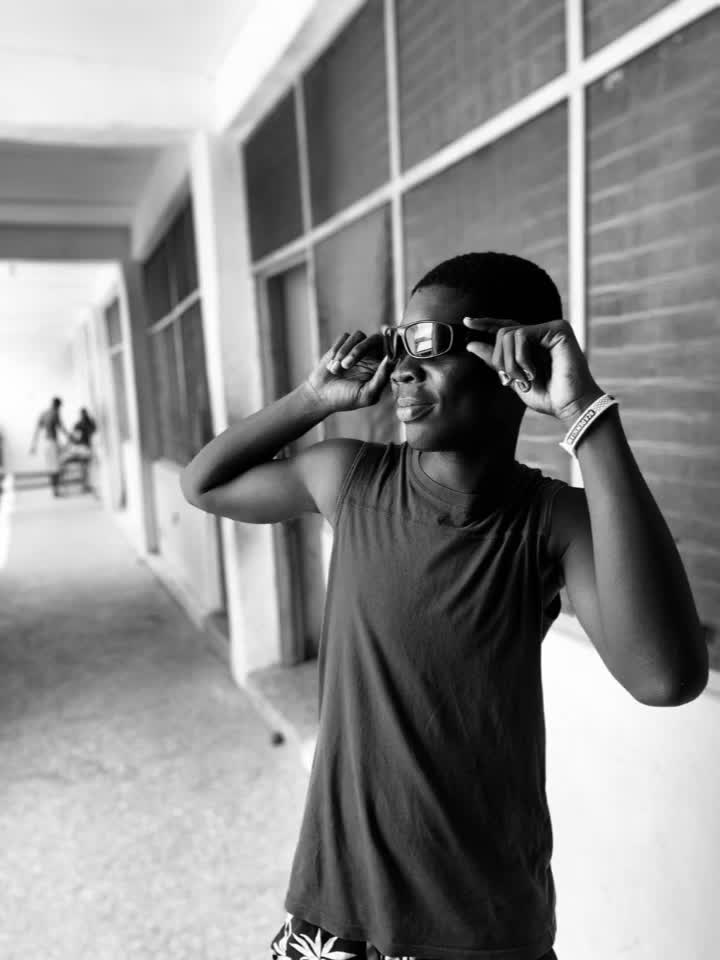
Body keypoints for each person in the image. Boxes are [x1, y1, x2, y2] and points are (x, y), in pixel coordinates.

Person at [180, 252, 708, 960]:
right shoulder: (351, 478)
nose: (402, 368)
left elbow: (665, 678)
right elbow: (205, 485)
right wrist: (313, 397)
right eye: (400, 345)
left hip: (477, 930)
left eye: (429, 345)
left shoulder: (550, 521)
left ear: (511, 355)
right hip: (333, 913)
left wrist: (586, 414)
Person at [29, 397, 69, 497]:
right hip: (52, 443)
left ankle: (54, 489)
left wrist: (33, 445)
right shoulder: (55, 413)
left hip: (45, 443)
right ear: (58, 405)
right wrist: (71, 438)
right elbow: (62, 428)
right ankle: (56, 490)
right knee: (56, 467)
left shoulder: (44, 413)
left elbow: (37, 430)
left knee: (51, 467)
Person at [66, 407, 97, 492]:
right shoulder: (81, 424)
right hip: (83, 448)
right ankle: (85, 485)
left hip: (86, 447)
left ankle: (86, 485)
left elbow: (74, 436)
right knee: (85, 467)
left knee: (86, 467)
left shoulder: (88, 423)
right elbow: (74, 436)